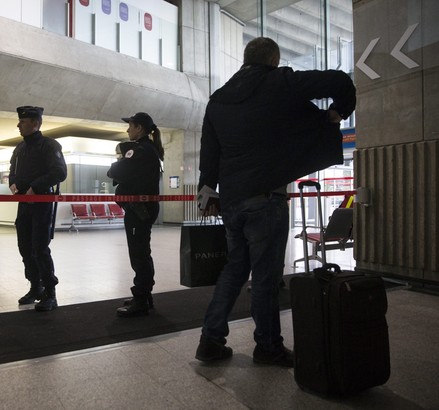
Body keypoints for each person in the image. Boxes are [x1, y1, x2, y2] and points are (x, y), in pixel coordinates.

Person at [194, 37, 356, 365]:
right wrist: (337, 114)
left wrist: (208, 188)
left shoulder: (218, 100)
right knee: (266, 277)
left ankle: (210, 341)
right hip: (266, 198)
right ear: (273, 58)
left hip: (232, 201)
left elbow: (210, 153)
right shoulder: (279, 82)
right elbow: (340, 81)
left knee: (234, 269)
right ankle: (267, 346)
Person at [10, 106, 67, 312]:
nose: (19, 125)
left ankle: (50, 293)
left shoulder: (50, 145)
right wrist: (13, 184)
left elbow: (59, 172)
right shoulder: (19, 149)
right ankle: (35, 286)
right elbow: (12, 172)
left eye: (23, 122)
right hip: (24, 204)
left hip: (42, 203)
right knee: (25, 247)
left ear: (35, 123)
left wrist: (36, 187)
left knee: (40, 248)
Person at [107, 112, 164, 317]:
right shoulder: (147, 150)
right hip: (141, 208)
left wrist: (116, 167)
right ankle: (143, 295)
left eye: (130, 125)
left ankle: (141, 299)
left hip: (139, 210)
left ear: (139, 128)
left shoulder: (140, 150)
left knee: (139, 254)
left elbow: (117, 170)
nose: (127, 129)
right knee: (140, 252)